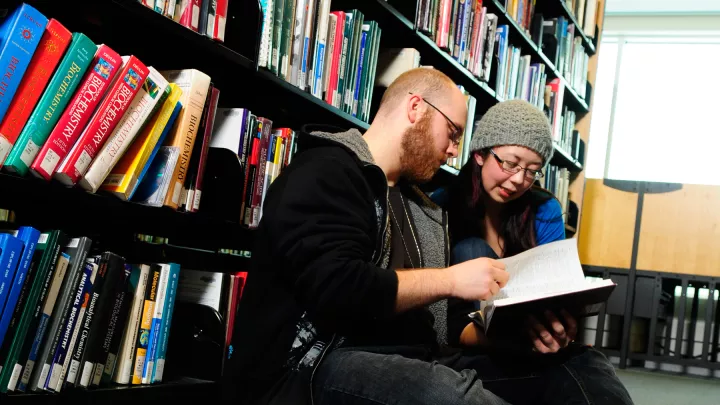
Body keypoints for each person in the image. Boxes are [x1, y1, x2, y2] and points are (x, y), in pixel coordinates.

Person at [438, 99, 634, 403]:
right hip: (467, 342)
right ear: (479, 153)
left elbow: (558, 287)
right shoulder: (440, 207)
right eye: (510, 163)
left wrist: (562, 324)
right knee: (473, 250)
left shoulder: (543, 209)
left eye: (531, 171)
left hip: (530, 338)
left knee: (592, 365)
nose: (518, 180)